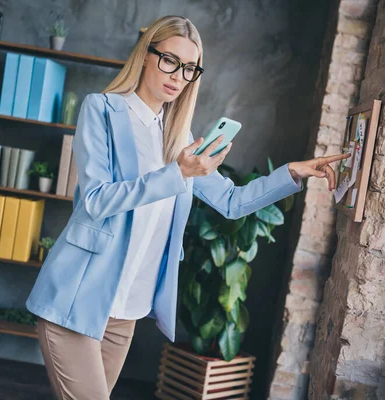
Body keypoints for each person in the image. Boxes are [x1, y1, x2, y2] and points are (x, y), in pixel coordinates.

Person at [25, 15, 349, 400]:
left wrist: (291, 173)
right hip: (76, 301)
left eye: (190, 68)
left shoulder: (176, 138)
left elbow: (232, 202)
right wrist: (177, 172)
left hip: (124, 314)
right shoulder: (103, 111)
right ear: (146, 56)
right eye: (169, 60)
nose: (178, 75)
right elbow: (96, 200)